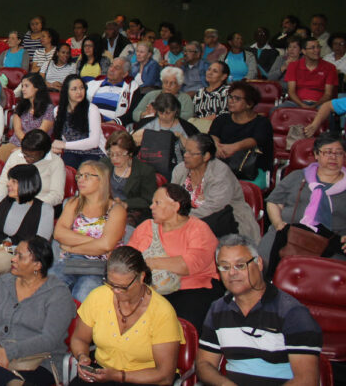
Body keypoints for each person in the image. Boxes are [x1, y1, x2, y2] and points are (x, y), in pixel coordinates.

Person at [196, 233, 323, 386]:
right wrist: (224, 384)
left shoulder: (292, 312)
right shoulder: (218, 309)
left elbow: (306, 380)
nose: (232, 273)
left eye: (240, 265)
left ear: (259, 263)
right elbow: (204, 365)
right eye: (224, 267)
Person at [0, 237, 77, 385]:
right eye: (15, 254)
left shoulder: (58, 294)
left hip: (38, 362)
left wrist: (8, 352)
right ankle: (9, 381)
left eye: (20, 257)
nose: (13, 259)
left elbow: (48, 339)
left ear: (37, 265)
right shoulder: (5, 283)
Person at [68, 246, 182, 386]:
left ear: (141, 277)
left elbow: (165, 376)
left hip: (144, 379)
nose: (116, 291)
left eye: (122, 287)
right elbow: (79, 338)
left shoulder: (162, 312)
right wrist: (82, 356)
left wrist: (118, 376)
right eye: (111, 284)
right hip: (104, 372)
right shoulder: (99, 296)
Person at [128, 183, 220, 328]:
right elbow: (128, 259)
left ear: (176, 206)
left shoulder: (198, 229)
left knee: (177, 324)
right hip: (149, 288)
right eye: (152, 202)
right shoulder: (146, 226)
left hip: (191, 289)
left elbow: (187, 265)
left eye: (157, 203)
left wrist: (151, 262)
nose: (151, 206)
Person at [259, 132, 346, 278]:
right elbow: (274, 202)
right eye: (328, 152)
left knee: (328, 279)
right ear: (316, 155)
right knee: (259, 267)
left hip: (329, 242)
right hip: (285, 233)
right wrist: (279, 223)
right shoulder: (298, 176)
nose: (333, 157)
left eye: (339, 153)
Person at [50, 158, 127, 302]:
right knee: (47, 289)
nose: (80, 180)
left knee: (83, 294)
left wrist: (71, 247)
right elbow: (59, 233)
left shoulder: (116, 210)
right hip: (70, 261)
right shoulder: (73, 203)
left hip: (100, 265)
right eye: (79, 176)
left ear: (101, 180)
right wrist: (96, 242)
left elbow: (106, 246)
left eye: (87, 176)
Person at [0, 164, 53, 277]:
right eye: (9, 180)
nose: (8, 184)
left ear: (26, 184)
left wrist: (3, 248)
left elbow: (38, 247)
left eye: (14, 181)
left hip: (15, 255)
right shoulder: (1, 200)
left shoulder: (45, 210)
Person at [209, 81, 274, 186]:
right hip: (223, 166)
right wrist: (216, 146)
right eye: (230, 97)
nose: (231, 101)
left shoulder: (262, 122)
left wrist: (234, 147)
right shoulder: (222, 119)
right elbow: (213, 135)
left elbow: (254, 141)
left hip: (252, 169)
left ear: (249, 104)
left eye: (237, 99)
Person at [0, 129, 66, 208]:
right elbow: (3, 182)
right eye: (24, 153)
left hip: (40, 206)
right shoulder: (16, 156)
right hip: (12, 203)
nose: (26, 158)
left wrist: (31, 205)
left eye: (31, 156)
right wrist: (3, 200)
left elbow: (56, 195)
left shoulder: (56, 163)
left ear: (44, 152)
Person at [51, 74, 105, 168]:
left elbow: (94, 142)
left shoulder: (92, 109)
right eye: (74, 89)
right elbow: (61, 137)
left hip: (93, 152)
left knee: (85, 170)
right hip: (71, 151)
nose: (79, 92)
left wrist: (64, 145)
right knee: (63, 170)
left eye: (81, 88)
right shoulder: (57, 111)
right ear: (66, 92)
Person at [0, 74, 55, 163]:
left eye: (26, 86)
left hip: (37, 147)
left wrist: (26, 148)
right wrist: (25, 146)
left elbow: (41, 132)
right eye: (22, 86)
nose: (23, 89)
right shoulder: (20, 107)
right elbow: (18, 130)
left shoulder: (48, 109)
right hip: (15, 143)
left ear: (37, 87)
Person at [105, 130, 158, 225]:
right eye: (111, 154)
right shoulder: (104, 164)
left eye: (119, 154)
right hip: (107, 206)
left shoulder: (145, 171)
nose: (114, 158)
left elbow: (148, 200)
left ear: (130, 153)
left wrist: (125, 203)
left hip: (132, 211)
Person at [282, 37, 336, 109]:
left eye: (318, 47)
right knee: (275, 110)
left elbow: (328, 94)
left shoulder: (330, 67)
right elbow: (291, 92)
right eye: (312, 48)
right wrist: (302, 105)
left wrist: (314, 106)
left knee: (325, 112)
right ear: (304, 51)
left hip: (320, 103)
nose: (317, 50)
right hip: (296, 102)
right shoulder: (293, 66)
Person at [129, 65, 194, 122]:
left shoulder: (185, 98)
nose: (168, 85)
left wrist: (157, 114)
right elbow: (135, 114)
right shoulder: (151, 95)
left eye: (172, 83)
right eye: (165, 82)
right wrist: (145, 114)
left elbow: (188, 116)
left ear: (179, 85)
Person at [86, 58, 136, 122]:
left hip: (112, 126)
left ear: (125, 74)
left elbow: (131, 113)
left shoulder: (132, 88)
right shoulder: (94, 84)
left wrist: (114, 122)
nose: (111, 69)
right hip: (90, 121)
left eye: (117, 68)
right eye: (111, 66)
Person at [190, 60, 232, 131]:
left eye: (215, 71)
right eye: (209, 69)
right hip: (199, 126)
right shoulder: (200, 92)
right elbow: (194, 114)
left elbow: (226, 115)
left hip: (218, 127)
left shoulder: (227, 91)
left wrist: (200, 121)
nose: (210, 73)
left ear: (223, 76)